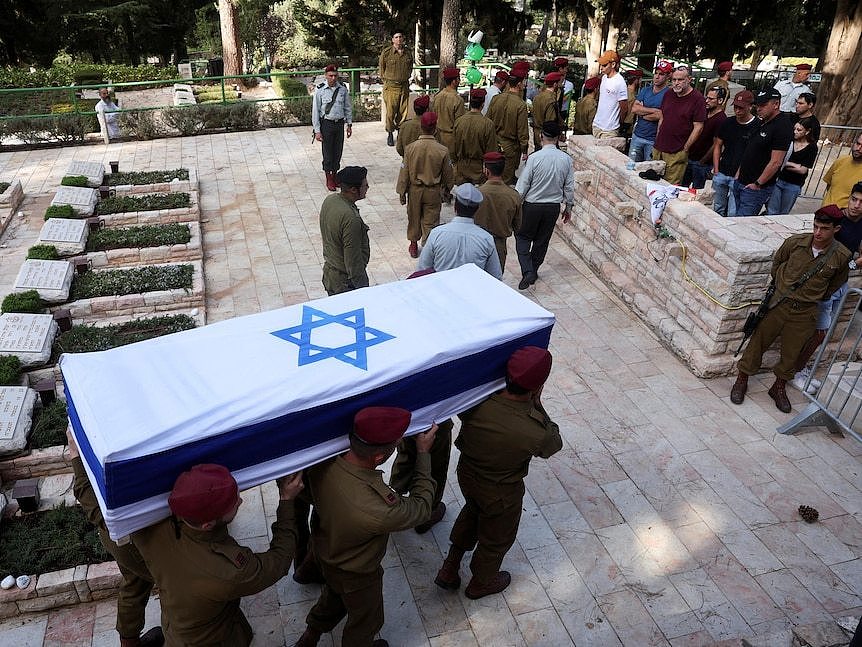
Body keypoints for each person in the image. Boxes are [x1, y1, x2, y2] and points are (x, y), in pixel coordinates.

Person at [294, 408, 438, 647]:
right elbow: (422, 507)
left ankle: (310, 636)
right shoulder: (377, 508)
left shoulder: (322, 465)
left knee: (333, 597)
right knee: (366, 620)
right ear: (379, 457)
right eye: (395, 443)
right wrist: (423, 453)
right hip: (357, 573)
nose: (400, 442)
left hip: (327, 555)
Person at [434, 346, 562, 599]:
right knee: (497, 538)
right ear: (538, 387)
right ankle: (481, 582)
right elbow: (553, 445)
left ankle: (450, 566)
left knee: (472, 512)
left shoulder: (478, 401)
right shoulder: (535, 430)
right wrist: (539, 407)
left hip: (467, 475)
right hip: (501, 491)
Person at [132, 464, 304, 647]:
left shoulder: (148, 530)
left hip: (176, 625)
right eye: (233, 502)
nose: (240, 501)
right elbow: (279, 561)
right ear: (207, 525)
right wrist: (287, 500)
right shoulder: (228, 570)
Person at [730, 207, 850, 413]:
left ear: (836, 229)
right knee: (758, 342)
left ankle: (778, 387)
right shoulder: (796, 243)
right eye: (816, 226)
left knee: (792, 353)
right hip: (779, 304)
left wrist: (813, 297)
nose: (818, 232)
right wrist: (782, 289)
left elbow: (836, 283)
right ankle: (742, 379)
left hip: (805, 311)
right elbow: (777, 264)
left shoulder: (841, 256)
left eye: (824, 228)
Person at [68, 432, 164, 647]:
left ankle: (128, 642)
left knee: (135, 582)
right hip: (137, 542)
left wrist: (75, 456)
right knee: (174, 587)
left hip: (119, 541)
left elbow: (85, 492)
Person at [792, 194, 862, 393]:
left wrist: (850, 264)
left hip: (840, 284)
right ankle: (794, 371)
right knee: (814, 331)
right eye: (854, 199)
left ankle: (799, 368)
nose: (857, 205)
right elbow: (815, 245)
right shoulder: (833, 217)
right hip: (822, 286)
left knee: (821, 332)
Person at [514, 120, 574, 290]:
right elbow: (569, 186)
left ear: (541, 136)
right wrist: (568, 208)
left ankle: (527, 270)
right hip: (552, 207)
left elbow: (523, 184)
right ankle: (533, 269)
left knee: (522, 237)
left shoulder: (534, 158)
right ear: (558, 138)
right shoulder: (566, 160)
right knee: (542, 241)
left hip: (532, 205)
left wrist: (516, 205)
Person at [396, 112, 454, 258]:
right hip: (433, 191)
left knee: (414, 217)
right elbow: (448, 174)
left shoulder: (410, 148)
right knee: (431, 221)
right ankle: (428, 248)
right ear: (435, 128)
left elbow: (404, 171)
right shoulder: (442, 150)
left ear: (421, 127)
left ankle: (413, 245)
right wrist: (447, 188)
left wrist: (402, 191)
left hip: (415, 190)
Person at [416, 183, 502, 279]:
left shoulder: (437, 234)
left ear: (455, 207)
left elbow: (422, 271)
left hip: (441, 291)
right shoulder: (486, 239)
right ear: (476, 210)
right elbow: (495, 277)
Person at [731, 88, 794, 216]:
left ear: (776, 104)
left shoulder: (782, 126)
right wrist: (738, 174)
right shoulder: (762, 122)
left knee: (742, 223)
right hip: (741, 180)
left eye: (763, 105)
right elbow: (750, 150)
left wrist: (758, 184)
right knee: (733, 217)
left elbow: (776, 161)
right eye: (758, 105)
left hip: (755, 187)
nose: (759, 109)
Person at [319, 166, 371, 295]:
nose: (367, 187)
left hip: (330, 275)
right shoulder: (351, 219)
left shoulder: (330, 200)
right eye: (365, 185)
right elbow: (352, 260)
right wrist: (362, 289)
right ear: (353, 190)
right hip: (345, 283)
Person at [652, 65, 706, 185]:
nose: (676, 83)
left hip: (677, 151)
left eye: (680, 80)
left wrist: (685, 148)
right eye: (674, 79)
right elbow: (662, 116)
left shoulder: (697, 99)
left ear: (689, 79)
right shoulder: (668, 94)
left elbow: (699, 127)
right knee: (653, 182)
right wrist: (657, 137)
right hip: (659, 147)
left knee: (670, 187)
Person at [712, 90, 759, 217]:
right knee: (717, 207)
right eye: (736, 107)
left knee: (733, 211)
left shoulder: (757, 126)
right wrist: (716, 169)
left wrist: (740, 174)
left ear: (750, 106)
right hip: (722, 170)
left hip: (740, 176)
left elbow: (753, 154)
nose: (737, 111)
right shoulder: (728, 122)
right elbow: (718, 145)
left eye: (741, 108)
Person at [475, 151, 522, 271]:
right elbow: (517, 226)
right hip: (498, 245)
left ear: (487, 170)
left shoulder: (476, 194)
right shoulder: (513, 195)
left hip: (477, 243)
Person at [312, 64, 352, 192]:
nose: (333, 78)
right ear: (326, 76)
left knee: (337, 151)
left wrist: (349, 124)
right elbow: (315, 111)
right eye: (330, 76)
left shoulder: (342, 89)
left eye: (335, 75)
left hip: (339, 123)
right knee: (328, 152)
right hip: (327, 124)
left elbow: (347, 107)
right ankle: (328, 177)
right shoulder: (320, 90)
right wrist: (317, 131)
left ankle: (335, 175)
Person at [766, 117, 817, 215]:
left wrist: (784, 164)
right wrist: (792, 164)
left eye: (799, 130)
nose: (795, 132)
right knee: (772, 210)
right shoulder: (789, 141)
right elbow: (779, 161)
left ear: (807, 131)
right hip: (779, 179)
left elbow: (803, 170)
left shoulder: (812, 147)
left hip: (794, 184)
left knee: (784, 213)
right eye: (794, 129)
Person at [486, 73, 529, 185]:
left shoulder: (496, 98)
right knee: (506, 180)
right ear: (519, 84)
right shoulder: (520, 105)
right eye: (523, 82)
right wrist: (524, 149)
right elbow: (522, 130)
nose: (524, 85)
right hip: (510, 147)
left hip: (494, 143)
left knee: (492, 177)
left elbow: (488, 120)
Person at [682, 85, 727, 189]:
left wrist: (702, 161)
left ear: (720, 100)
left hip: (702, 162)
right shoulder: (704, 112)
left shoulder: (721, 119)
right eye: (706, 98)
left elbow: (716, 144)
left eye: (711, 99)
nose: (707, 101)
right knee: (682, 186)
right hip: (690, 157)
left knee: (697, 190)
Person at [628, 60, 673, 162]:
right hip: (637, 136)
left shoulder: (669, 94)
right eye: (656, 73)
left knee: (647, 171)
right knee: (631, 167)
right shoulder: (645, 90)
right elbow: (635, 109)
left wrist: (643, 112)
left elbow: (662, 115)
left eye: (661, 74)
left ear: (667, 76)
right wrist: (654, 110)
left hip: (653, 140)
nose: (657, 76)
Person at [452, 88, 498, 184]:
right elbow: (491, 150)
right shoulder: (488, 124)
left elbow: (453, 148)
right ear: (483, 104)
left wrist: (455, 163)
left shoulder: (459, 121)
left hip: (461, 168)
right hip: (479, 169)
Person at [379, 32, 413, 146]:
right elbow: (381, 69)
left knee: (402, 112)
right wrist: (388, 81)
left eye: (400, 37)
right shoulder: (387, 52)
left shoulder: (408, 53)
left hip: (404, 86)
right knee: (390, 112)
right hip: (391, 87)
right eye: (396, 37)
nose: (399, 39)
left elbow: (410, 67)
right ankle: (389, 133)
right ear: (393, 40)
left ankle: (400, 133)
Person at [591, 50, 628, 138]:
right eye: (601, 65)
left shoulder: (620, 82)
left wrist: (618, 123)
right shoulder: (604, 78)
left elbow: (624, 108)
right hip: (597, 125)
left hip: (609, 129)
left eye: (604, 65)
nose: (601, 68)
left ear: (613, 65)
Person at [432, 67, 466, 158]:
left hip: (437, 137)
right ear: (454, 81)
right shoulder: (458, 100)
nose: (460, 80)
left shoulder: (437, 97)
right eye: (458, 78)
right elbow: (460, 125)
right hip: (451, 140)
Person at [822, 133, 862, 208]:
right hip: (824, 213)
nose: (858, 148)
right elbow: (829, 186)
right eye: (858, 143)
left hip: (846, 217)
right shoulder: (841, 160)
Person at [531, 72, 561, 150]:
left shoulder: (537, 97)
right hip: (547, 138)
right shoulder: (551, 100)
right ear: (555, 84)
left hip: (537, 133)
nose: (560, 85)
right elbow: (550, 122)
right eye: (559, 83)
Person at [553, 57, 574, 141]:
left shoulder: (569, 85)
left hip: (561, 112)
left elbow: (564, 99)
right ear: (560, 68)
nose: (566, 71)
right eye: (565, 68)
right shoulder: (549, 81)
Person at [620, 69, 642, 140]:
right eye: (640, 79)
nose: (641, 82)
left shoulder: (624, 91)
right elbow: (627, 113)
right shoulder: (631, 96)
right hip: (626, 127)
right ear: (636, 80)